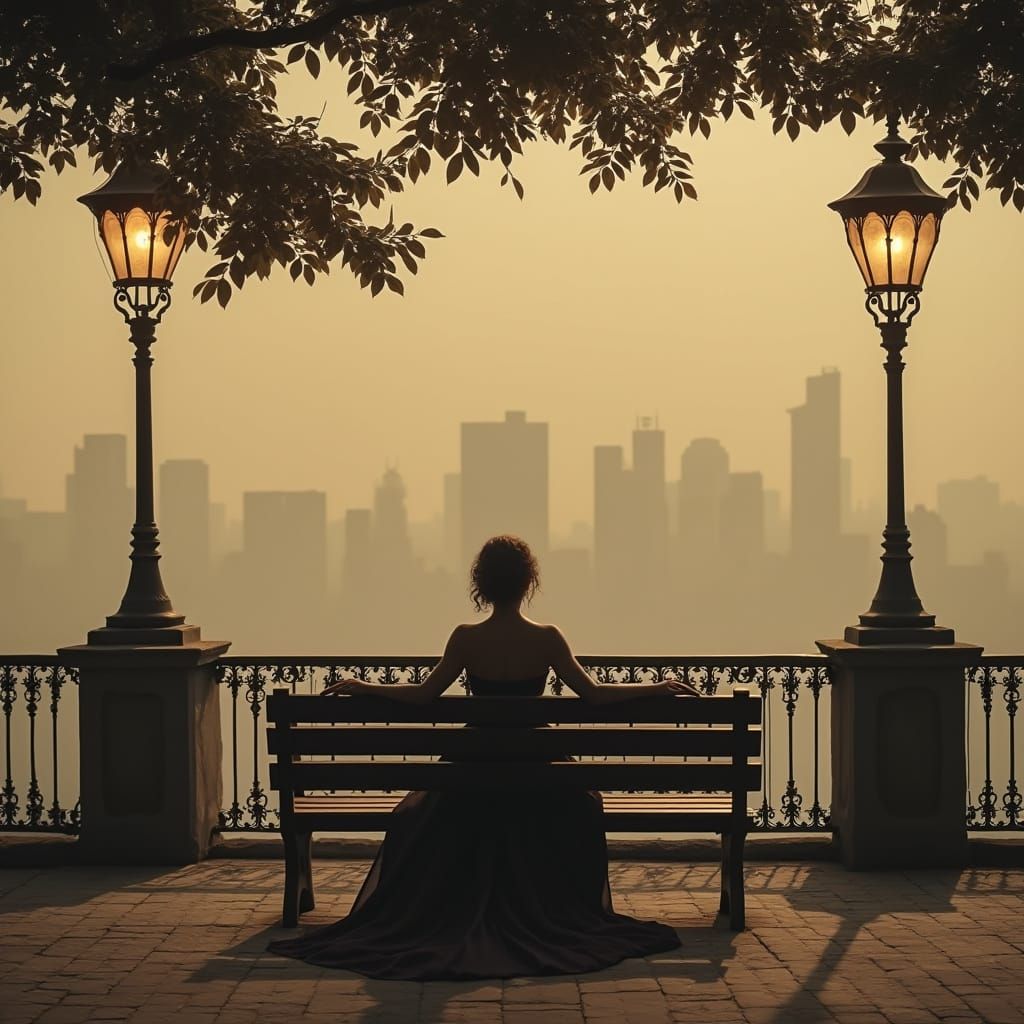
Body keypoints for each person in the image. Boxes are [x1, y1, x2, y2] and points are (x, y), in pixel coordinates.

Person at [268, 534, 700, 980]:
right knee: (581, 804)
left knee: (431, 811)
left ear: (483, 583)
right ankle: (542, 903)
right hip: (535, 767)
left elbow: (422, 695)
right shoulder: (547, 638)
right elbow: (594, 694)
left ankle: (460, 903)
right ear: (528, 582)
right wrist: (657, 686)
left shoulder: (466, 639)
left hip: (472, 766)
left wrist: (364, 686)